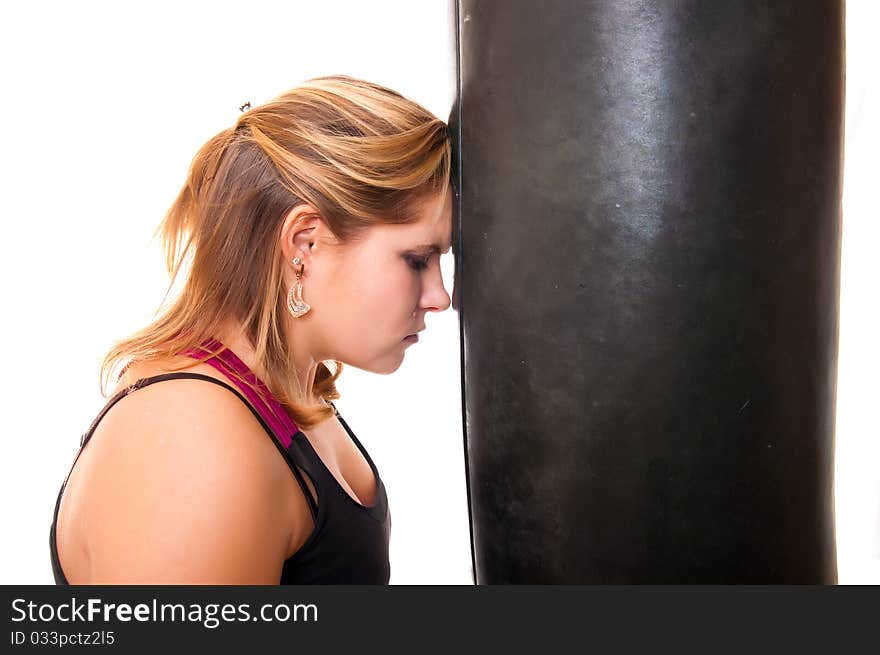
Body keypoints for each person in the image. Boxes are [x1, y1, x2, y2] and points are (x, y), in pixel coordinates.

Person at [49, 75, 454, 584]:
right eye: (418, 259)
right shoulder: (194, 437)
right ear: (304, 243)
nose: (441, 297)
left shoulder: (286, 395)